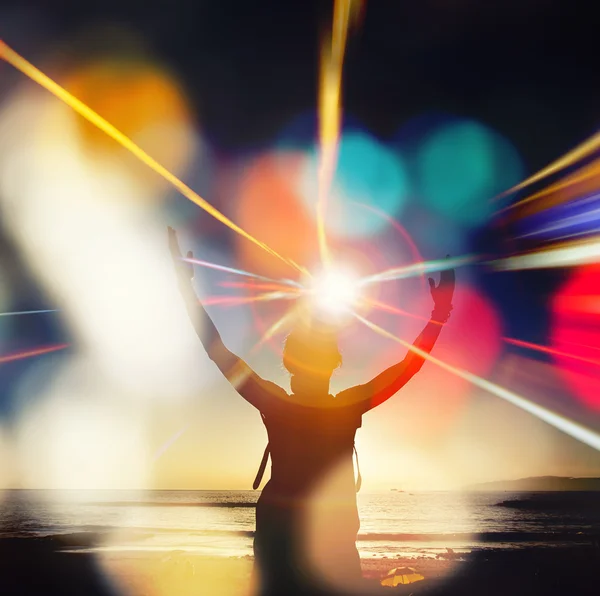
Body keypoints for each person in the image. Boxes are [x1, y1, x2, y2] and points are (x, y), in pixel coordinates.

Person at [168, 227, 455, 595]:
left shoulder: (275, 402)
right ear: (334, 363)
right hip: (329, 543)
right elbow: (408, 366)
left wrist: (186, 290)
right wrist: (439, 314)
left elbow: (217, 350)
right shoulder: (346, 406)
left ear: (289, 363)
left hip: (281, 539)